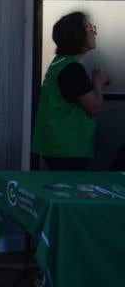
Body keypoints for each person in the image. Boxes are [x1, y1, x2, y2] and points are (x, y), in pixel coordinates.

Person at [32, 11, 111, 171]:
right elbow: (94, 107)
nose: (95, 32)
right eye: (90, 29)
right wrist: (98, 83)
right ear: (77, 36)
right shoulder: (72, 69)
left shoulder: (58, 63)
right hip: (68, 148)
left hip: (55, 144)